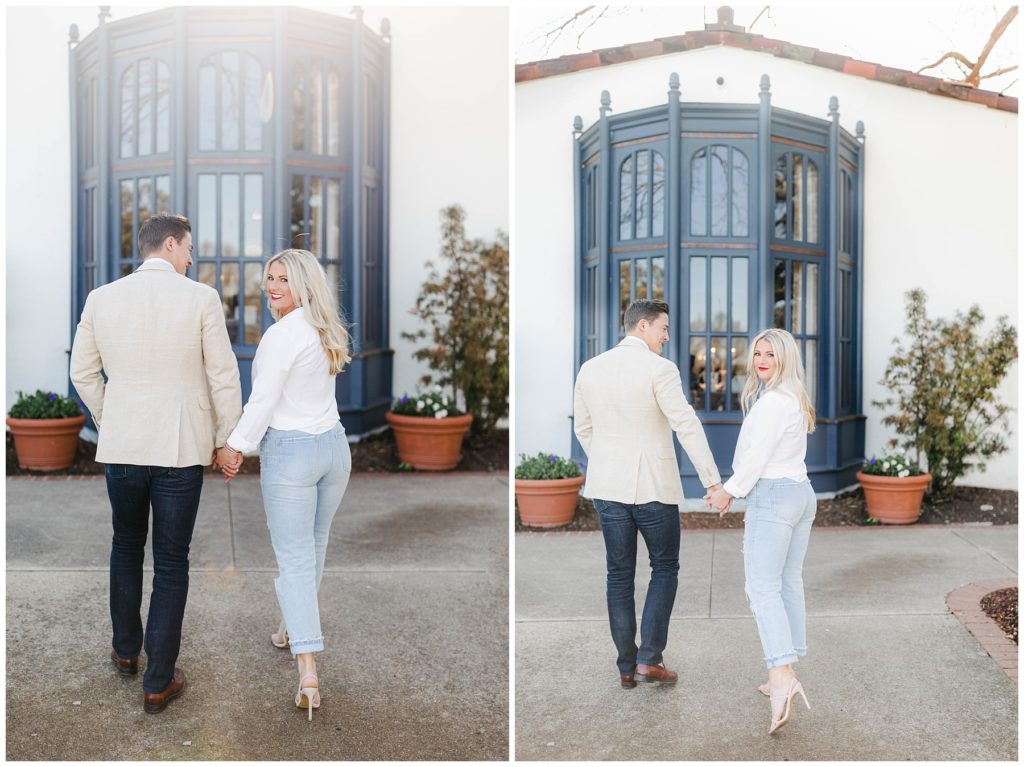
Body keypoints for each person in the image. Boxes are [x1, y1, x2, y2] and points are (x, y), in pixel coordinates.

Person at [70, 214, 243, 714]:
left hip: (123, 447)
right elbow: (224, 377)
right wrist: (224, 439)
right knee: (171, 561)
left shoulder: (101, 298)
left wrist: (111, 416)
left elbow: (82, 372)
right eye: (188, 248)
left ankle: (126, 652)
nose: (191, 258)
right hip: (178, 450)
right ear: (169, 245)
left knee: (125, 545)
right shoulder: (201, 298)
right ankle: (158, 680)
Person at [217, 248, 352, 720]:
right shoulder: (324, 329)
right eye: (269, 277)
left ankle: (309, 673)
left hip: (293, 454)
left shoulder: (280, 335)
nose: (272, 286)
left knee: (296, 560)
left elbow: (263, 401)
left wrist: (234, 446)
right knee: (312, 550)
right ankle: (289, 629)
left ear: (304, 286)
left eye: (283, 279)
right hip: (334, 451)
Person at [573, 299, 724, 689]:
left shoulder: (590, 369)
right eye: (663, 328)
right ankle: (649, 660)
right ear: (642, 326)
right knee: (665, 568)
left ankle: (626, 666)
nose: (666, 336)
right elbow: (685, 424)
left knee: (618, 575)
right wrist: (711, 480)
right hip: (654, 487)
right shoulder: (661, 369)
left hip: (608, 487)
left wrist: (608, 461)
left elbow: (583, 429)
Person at [705, 327, 816, 735]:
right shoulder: (794, 398)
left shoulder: (772, 404)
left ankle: (782, 677)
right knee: (787, 582)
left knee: (763, 588)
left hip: (774, 496)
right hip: (801, 493)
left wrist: (727, 492)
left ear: (785, 357)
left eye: (770, 353)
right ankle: (780, 674)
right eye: (757, 353)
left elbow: (756, 457)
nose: (762, 359)